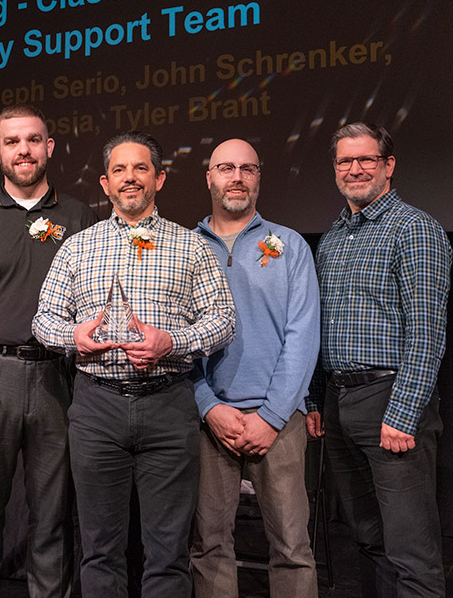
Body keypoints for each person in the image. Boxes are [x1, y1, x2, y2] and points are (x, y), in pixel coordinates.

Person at [33, 130, 235, 597]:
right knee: (100, 550)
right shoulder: (78, 247)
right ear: (105, 184)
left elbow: (224, 320)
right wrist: (73, 338)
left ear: (159, 179)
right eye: (119, 170)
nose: (130, 178)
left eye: (141, 168)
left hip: (168, 406)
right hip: (97, 408)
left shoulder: (191, 246)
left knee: (168, 554)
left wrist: (173, 342)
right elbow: (44, 320)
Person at [0, 105, 97, 598]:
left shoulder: (80, 216)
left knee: (53, 519)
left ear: (50, 147)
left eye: (32, 140)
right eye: (12, 142)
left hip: (58, 379)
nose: (23, 150)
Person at [306, 122, 451, 597]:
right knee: (368, 538)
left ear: (389, 166)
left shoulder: (414, 229)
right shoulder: (332, 239)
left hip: (390, 399)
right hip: (339, 401)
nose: (355, 169)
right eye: (345, 161)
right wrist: (316, 400)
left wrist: (403, 414)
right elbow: (323, 326)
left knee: (411, 550)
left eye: (366, 159)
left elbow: (426, 332)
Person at [191, 139, 320, 598]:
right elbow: (177, 340)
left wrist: (272, 415)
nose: (237, 177)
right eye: (226, 167)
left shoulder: (291, 245)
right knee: (209, 547)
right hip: (209, 422)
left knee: (292, 548)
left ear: (259, 177)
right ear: (209, 177)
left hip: (279, 422)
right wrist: (208, 406)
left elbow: (302, 335)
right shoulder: (183, 247)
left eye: (247, 168)